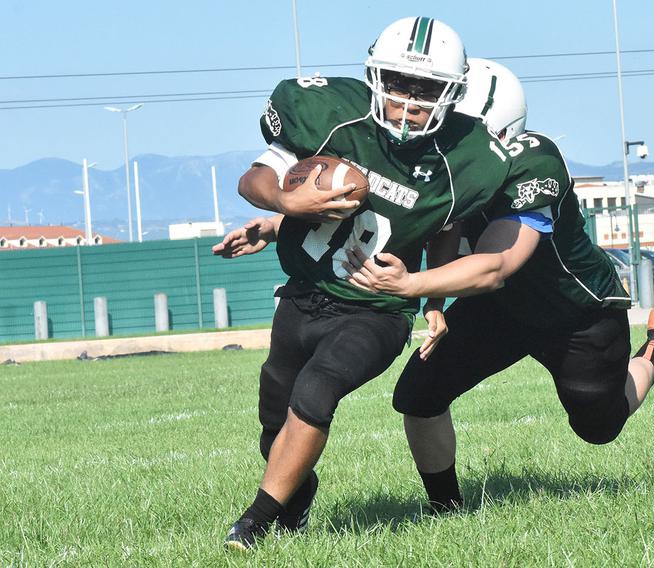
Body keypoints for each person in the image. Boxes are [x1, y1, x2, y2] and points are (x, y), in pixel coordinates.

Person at [216, 19, 570, 550]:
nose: (409, 101)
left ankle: (256, 522)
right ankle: (295, 494)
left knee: (319, 390)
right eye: (400, 83)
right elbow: (256, 179)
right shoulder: (332, 115)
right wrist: (282, 208)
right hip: (304, 293)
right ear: (374, 76)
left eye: (427, 89)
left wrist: (430, 297)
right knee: (274, 416)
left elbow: (446, 228)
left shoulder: (469, 159)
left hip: (375, 309)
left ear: (454, 94)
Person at [342, 58, 654, 512]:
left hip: (573, 312)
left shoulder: (534, 161)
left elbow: (495, 264)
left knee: (599, 427)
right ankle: (447, 510)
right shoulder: (445, 163)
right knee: (419, 394)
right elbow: (438, 225)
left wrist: (410, 283)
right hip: (500, 309)